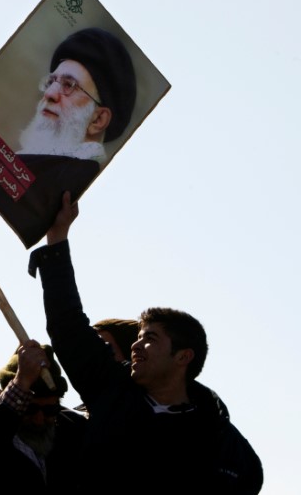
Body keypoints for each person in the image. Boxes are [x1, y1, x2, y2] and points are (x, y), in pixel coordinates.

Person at [27, 193, 263, 493]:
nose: (136, 347)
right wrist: (57, 238)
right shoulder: (110, 387)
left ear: (183, 357)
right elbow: (68, 324)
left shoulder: (218, 434)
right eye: (137, 338)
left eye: (150, 339)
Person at [0, 27, 137, 248]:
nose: (49, 94)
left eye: (69, 85)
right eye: (52, 82)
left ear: (98, 119)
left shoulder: (73, 175)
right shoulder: (41, 164)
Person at [0, 342, 86, 493]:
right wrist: (21, 384)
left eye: (50, 409)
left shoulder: (73, 427)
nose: (39, 419)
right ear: (6, 392)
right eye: (29, 408)